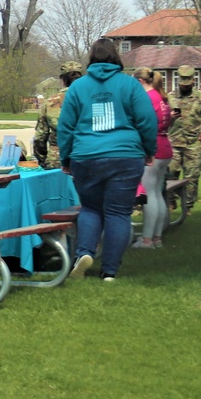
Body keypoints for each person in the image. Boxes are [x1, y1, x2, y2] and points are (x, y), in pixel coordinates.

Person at [57, 39, 157, 281]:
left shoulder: (78, 87)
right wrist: (149, 150)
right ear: (116, 57)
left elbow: (66, 127)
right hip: (125, 155)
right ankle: (110, 271)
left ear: (91, 58)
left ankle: (84, 253)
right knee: (118, 213)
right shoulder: (130, 85)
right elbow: (146, 120)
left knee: (91, 208)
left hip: (86, 155)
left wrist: (66, 158)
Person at [131, 68, 173, 249]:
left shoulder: (147, 98)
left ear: (140, 81)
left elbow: (141, 123)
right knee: (156, 193)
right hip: (164, 146)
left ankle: (146, 240)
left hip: (152, 148)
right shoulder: (161, 97)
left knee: (148, 195)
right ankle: (157, 238)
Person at [167, 65, 201, 209]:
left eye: (187, 84)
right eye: (182, 84)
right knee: (170, 173)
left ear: (193, 81)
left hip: (193, 142)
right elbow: (162, 118)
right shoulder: (171, 96)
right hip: (174, 142)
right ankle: (171, 201)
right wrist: (170, 118)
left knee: (191, 177)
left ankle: (187, 206)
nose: (185, 86)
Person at [34, 61, 85, 170]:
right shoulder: (90, 99)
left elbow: (40, 137)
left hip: (56, 159)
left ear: (62, 80)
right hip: (85, 157)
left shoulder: (50, 103)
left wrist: (42, 160)